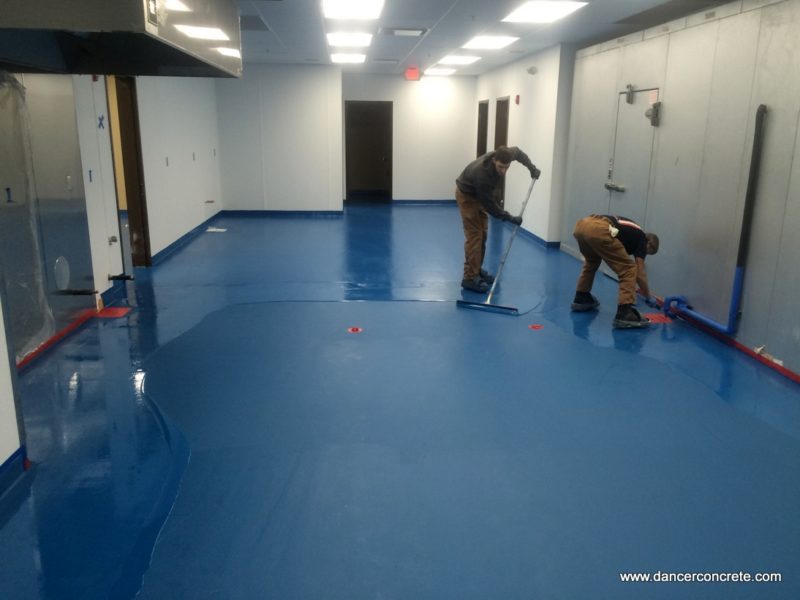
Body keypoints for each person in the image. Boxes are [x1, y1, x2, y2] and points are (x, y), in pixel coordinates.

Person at [455, 145, 540, 293]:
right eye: (501, 167)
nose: (503, 171)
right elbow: (491, 207)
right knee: (475, 236)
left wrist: (531, 168)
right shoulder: (482, 176)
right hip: (467, 195)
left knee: (483, 234)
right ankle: (468, 278)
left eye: (506, 168)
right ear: (494, 160)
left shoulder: (508, 154)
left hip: (478, 195)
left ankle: (476, 269)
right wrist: (510, 218)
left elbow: (519, 153)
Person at [570, 214, 659, 328]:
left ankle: (581, 297)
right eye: (648, 252)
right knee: (629, 269)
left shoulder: (633, 232)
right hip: (600, 229)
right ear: (649, 244)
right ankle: (625, 313)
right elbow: (640, 274)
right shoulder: (642, 238)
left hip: (582, 225)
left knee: (592, 262)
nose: (644, 254)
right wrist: (648, 296)